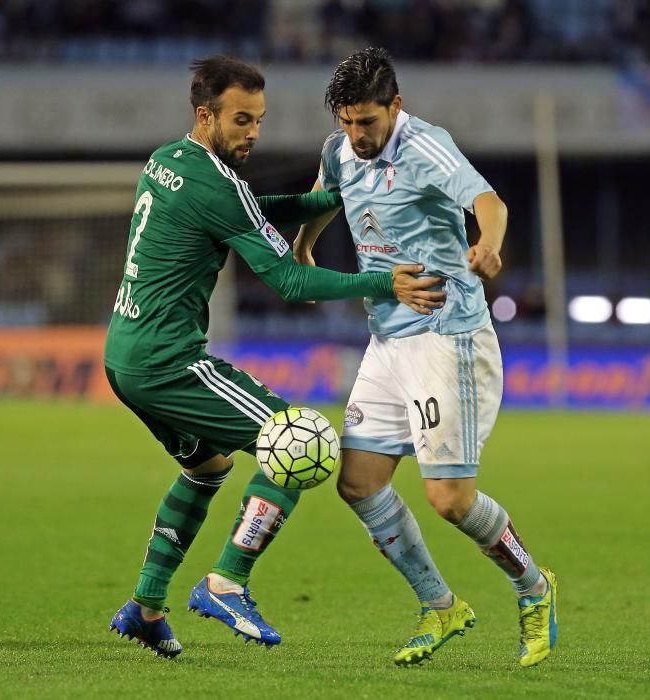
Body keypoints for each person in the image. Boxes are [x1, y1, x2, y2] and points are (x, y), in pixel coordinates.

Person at [104, 55, 444, 658]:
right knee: (303, 441)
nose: (253, 132)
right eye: (240, 119)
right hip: (167, 361)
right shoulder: (217, 184)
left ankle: (146, 607)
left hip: (125, 356)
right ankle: (227, 580)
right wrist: (381, 282)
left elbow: (250, 208)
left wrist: (325, 198)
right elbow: (288, 281)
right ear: (205, 115)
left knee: (207, 469)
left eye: (258, 120)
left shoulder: (169, 161)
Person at [294, 47, 557, 668]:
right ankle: (440, 605)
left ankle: (534, 587)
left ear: (396, 107)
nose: (356, 135)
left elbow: (488, 202)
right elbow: (323, 195)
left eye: (367, 123)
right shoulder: (338, 150)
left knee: (450, 499)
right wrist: (302, 250)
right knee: (357, 483)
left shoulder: (424, 145)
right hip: (386, 338)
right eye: (346, 121)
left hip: (447, 336)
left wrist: (488, 246)